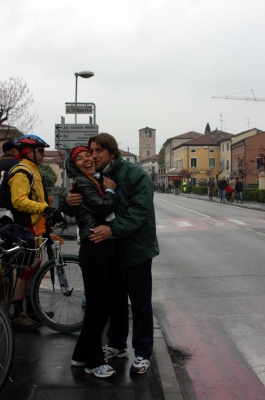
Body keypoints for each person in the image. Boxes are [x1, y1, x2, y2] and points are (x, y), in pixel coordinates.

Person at [66, 133, 159, 375]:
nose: (93, 155)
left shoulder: (133, 173)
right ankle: (117, 344)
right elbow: (84, 202)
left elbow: (140, 211)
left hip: (136, 248)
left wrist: (112, 229)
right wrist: (68, 200)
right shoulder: (95, 176)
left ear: (111, 152)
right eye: (90, 151)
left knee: (139, 302)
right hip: (113, 249)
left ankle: (142, 352)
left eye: (98, 151)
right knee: (115, 301)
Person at [66, 146, 119, 378]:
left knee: (101, 305)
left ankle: (80, 355)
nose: (87, 159)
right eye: (80, 158)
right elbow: (102, 207)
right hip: (94, 245)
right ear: (74, 164)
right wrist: (110, 192)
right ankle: (94, 362)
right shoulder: (83, 182)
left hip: (98, 246)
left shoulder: (91, 180)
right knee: (97, 307)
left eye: (88, 155)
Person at [8, 134, 66, 331]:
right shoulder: (22, 171)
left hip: (33, 227)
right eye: (40, 151)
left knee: (33, 267)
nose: (43, 154)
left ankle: (32, 309)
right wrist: (44, 209)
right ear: (28, 152)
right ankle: (18, 313)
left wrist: (51, 214)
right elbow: (19, 200)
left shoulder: (33, 170)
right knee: (24, 270)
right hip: (22, 227)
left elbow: (37, 200)